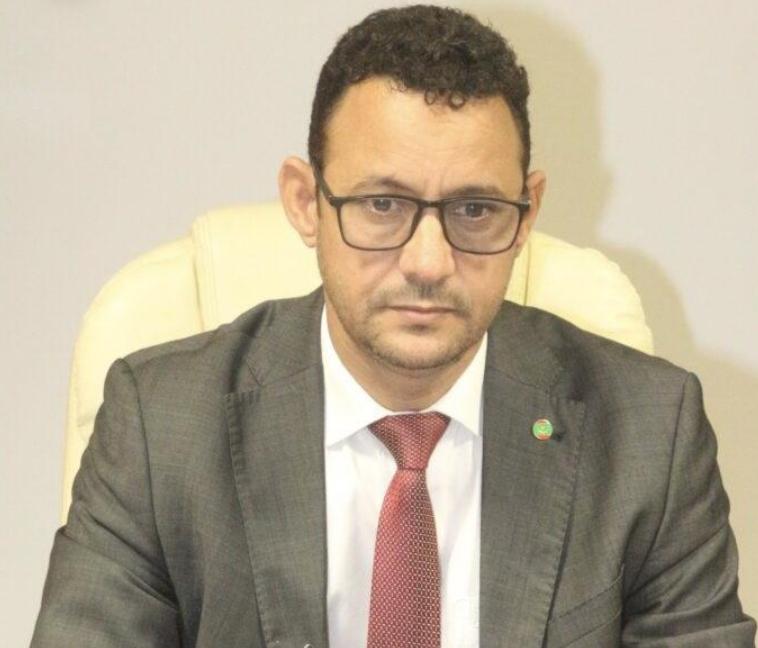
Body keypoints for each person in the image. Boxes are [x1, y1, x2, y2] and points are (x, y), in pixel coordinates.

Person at [31, 5, 756, 647]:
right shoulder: (161, 428)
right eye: (383, 205)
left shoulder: (649, 434)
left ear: (526, 214)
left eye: (475, 210)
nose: (429, 262)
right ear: (306, 204)